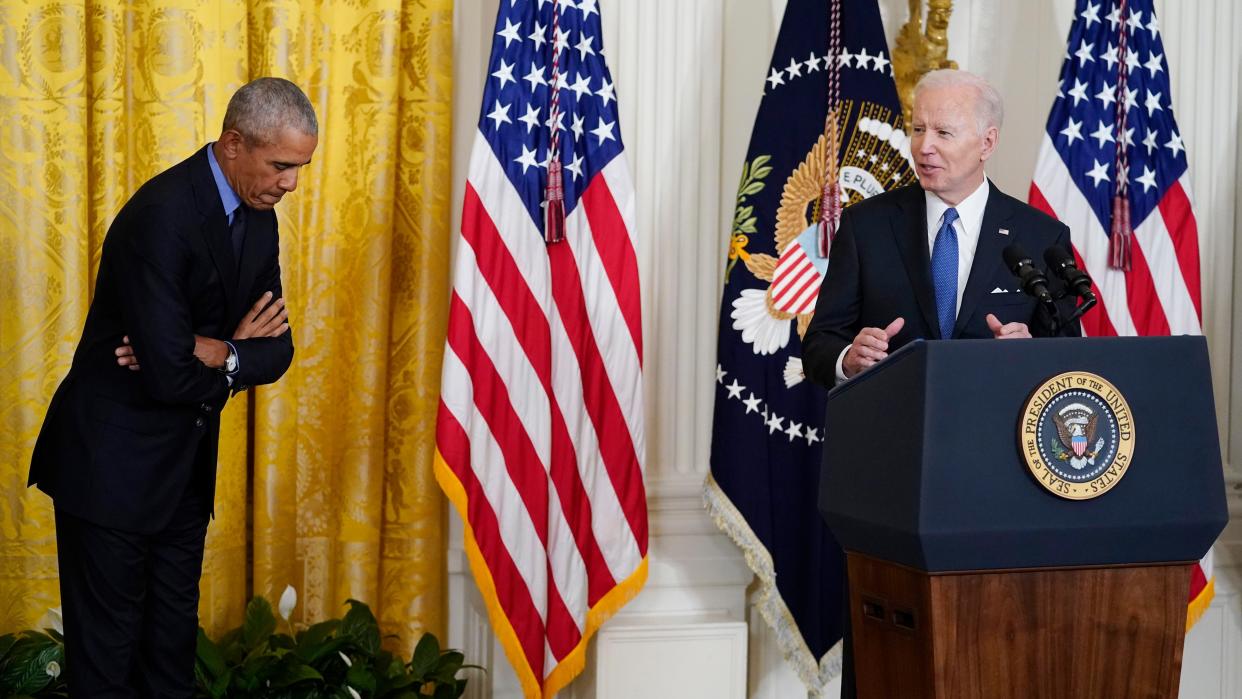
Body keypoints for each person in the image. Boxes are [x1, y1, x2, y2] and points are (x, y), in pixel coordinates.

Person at [28, 77, 317, 696]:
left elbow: (278, 349)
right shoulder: (161, 214)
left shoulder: (259, 214)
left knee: (169, 659)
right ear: (234, 143)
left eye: (299, 167)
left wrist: (216, 350)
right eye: (282, 165)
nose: (292, 183)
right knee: (106, 668)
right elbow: (161, 371)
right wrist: (214, 355)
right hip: (110, 470)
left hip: (182, 474)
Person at [801, 69, 1080, 697]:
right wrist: (851, 357)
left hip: (1001, 488)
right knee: (891, 660)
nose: (924, 145)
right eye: (917, 127)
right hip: (891, 487)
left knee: (991, 660)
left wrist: (1030, 358)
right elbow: (818, 343)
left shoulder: (1039, 237)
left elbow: (1073, 367)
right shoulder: (870, 226)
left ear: (986, 141)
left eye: (943, 131)